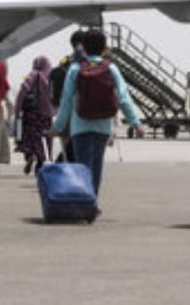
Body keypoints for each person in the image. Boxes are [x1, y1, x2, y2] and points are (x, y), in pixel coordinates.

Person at [51, 29, 144, 198]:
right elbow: (124, 98)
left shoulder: (75, 69)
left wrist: (57, 127)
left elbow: (66, 102)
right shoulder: (111, 68)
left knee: (83, 168)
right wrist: (135, 123)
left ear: (83, 48)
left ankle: (85, 204)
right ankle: (92, 202)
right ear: (104, 47)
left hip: (80, 127)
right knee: (96, 167)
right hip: (102, 127)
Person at [49, 30, 86, 163]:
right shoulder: (88, 62)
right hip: (83, 110)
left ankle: (66, 173)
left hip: (66, 108)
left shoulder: (65, 61)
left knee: (67, 145)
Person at [15, 56, 55, 174]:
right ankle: (46, 157)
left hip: (32, 113)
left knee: (31, 136)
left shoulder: (32, 75)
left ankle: (33, 155)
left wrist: (17, 111)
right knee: (47, 135)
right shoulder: (50, 77)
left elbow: (22, 92)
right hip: (47, 114)